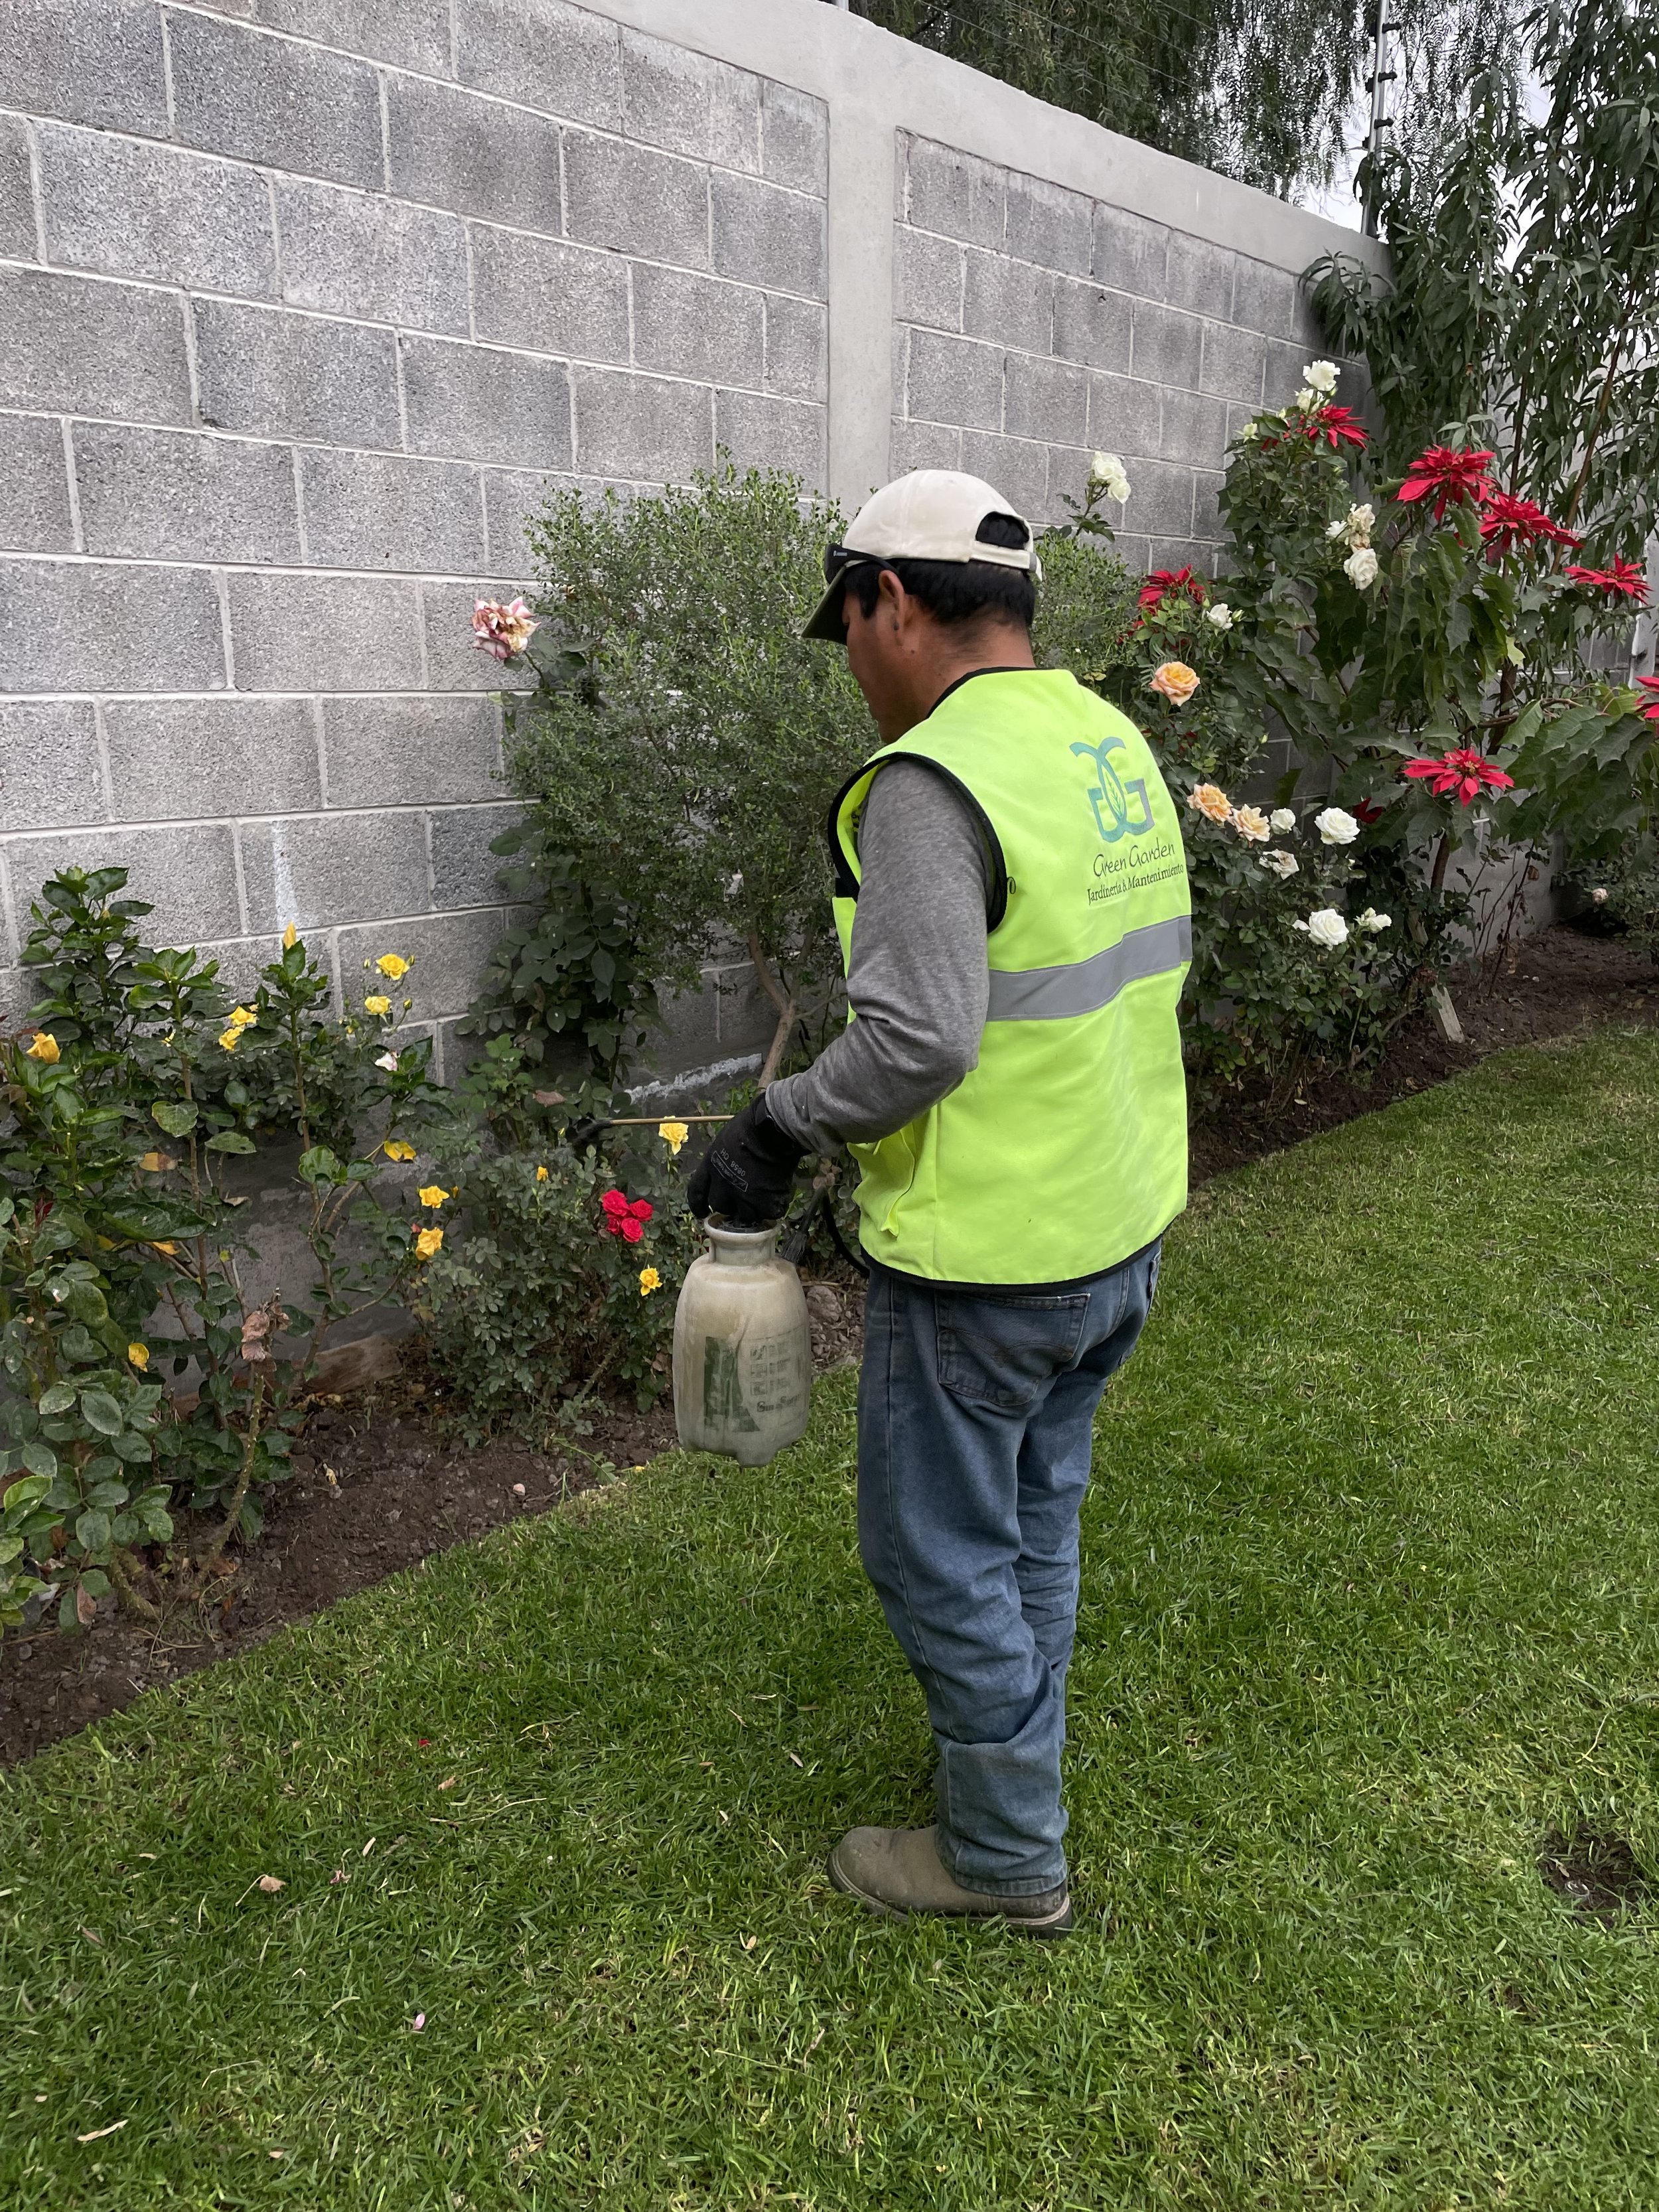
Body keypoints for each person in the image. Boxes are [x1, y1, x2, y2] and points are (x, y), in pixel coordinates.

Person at [688, 471, 1191, 1935]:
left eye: (841, 624)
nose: (847, 661)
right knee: (1031, 1521)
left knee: (933, 1548)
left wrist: (773, 1128)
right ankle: (1010, 1777)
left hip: (990, 1263)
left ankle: (998, 1854)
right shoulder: (1101, 737)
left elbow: (919, 1037)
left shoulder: (928, 782)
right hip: (1112, 1228)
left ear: (888, 602)